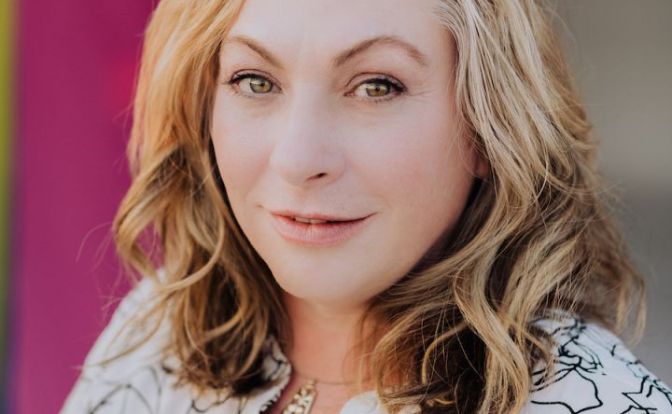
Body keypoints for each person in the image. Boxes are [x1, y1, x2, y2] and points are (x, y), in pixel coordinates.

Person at [61, 0, 672, 413]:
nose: (298, 159)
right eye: (255, 81)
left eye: (377, 86)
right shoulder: (157, 333)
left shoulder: (594, 401)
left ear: (489, 130)